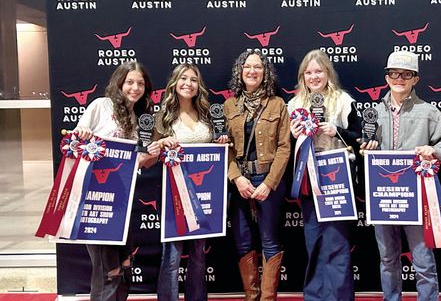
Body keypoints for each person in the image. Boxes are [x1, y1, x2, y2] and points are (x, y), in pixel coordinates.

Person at [373, 50, 441, 301]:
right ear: (387, 77)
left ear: (415, 79)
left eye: (406, 74)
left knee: (423, 259)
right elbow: (364, 145)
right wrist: (363, 147)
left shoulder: (429, 112)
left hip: (416, 199)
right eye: (394, 73)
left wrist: (434, 150)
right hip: (383, 196)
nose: (399, 78)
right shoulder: (374, 112)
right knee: (387, 258)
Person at [288, 49, 373, 301]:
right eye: (309, 72)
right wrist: (294, 137)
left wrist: (337, 131)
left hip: (338, 176)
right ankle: (314, 296)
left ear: (328, 73)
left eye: (319, 71)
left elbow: (360, 139)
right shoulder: (293, 105)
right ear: (302, 76)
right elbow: (283, 148)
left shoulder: (344, 101)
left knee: (336, 240)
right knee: (313, 239)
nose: (314, 76)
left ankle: (340, 296)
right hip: (307, 179)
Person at [73, 61, 161, 301]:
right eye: (130, 82)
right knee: (107, 268)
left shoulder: (142, 117)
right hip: (98, 198)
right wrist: (83, 135)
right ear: (119, 83)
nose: (135, 88)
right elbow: (78, 140)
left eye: (140, 83)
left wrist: (152, 154)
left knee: (124, 264)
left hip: (125, 198)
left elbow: (143, 161)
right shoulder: (100, 106)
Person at [153, 64, 228, 301]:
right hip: (174, 193)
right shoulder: (162, 117)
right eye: (183, 78)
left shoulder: (208, 114)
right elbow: (151, 153)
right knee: (172, 254)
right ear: (174, 83)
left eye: (194, 80)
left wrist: (221, 143)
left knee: (199, 255)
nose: (188, 83)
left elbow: (215, 152)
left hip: (204, 194)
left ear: (199, 86)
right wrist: (162, 143)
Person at [224, 50, 290, 301]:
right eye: (247, 67)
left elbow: (285, 147)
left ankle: (267, 298)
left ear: (266, 73)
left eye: (258, 67)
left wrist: (269, 183)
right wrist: (236, 178)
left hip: (267, 182)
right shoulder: (228, 106)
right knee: (242, 240)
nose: (252, 71)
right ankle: (251, 297)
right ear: (240, 72)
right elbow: (224, 147)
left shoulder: (277, 104)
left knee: (270, 240)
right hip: (239, 183)